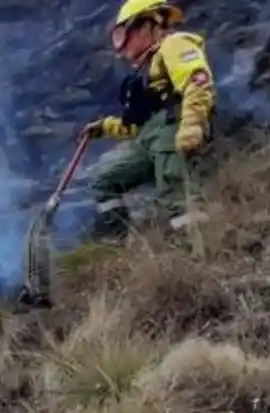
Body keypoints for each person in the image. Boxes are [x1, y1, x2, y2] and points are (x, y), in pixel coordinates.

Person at [83, 0, 217, 239]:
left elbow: (197, 82)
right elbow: (140, 125)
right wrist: (105, 127)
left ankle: (198, 253)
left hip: (172, 132)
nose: (120, 47)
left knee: (177, 196)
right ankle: (115, 241)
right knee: (105, 180)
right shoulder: (146, 69)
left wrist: (191, 126)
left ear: (147, 26)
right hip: (151, 138)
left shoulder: (174, 45)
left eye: (124, 34)